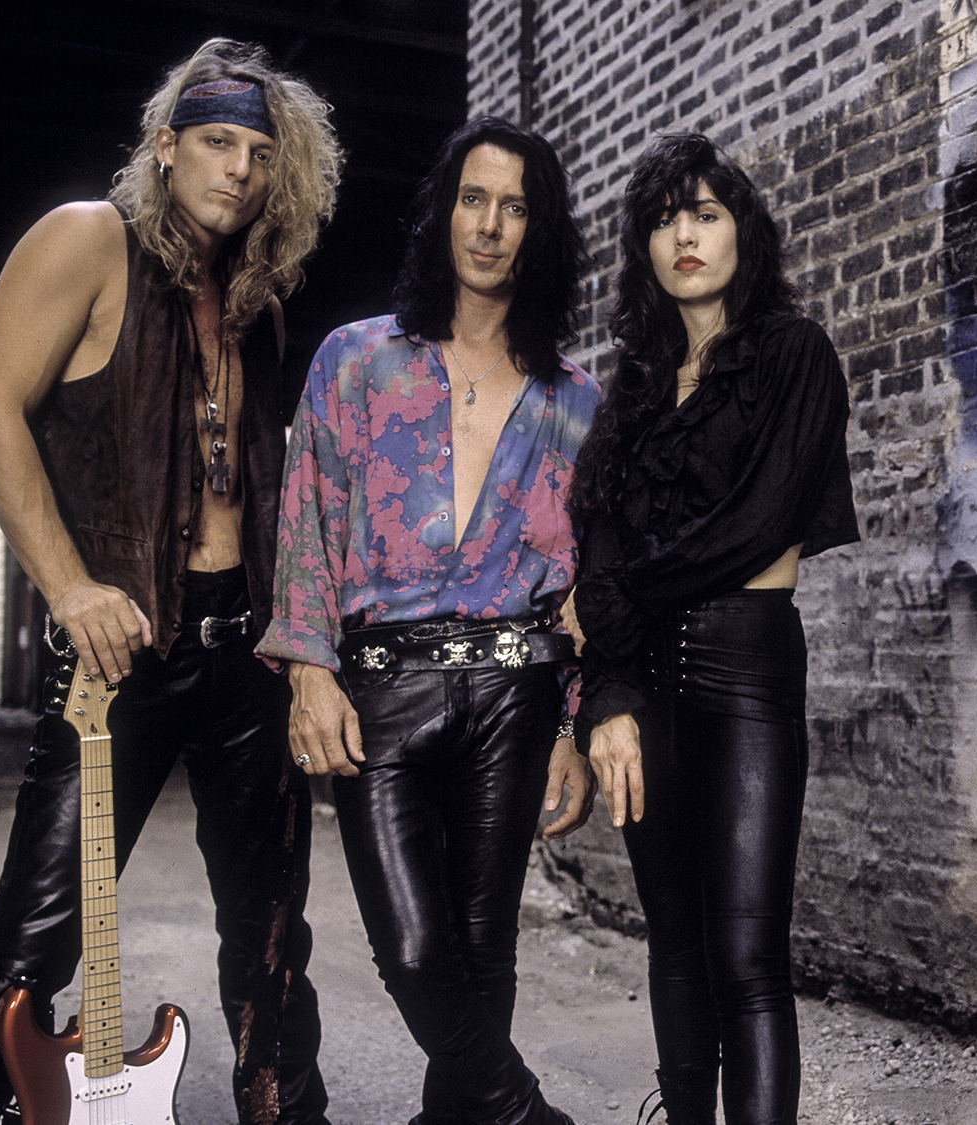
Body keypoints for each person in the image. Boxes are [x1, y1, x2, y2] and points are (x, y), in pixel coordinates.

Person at [0, 40, 342, 1125]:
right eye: (215, 143)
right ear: (164, 146)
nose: (237, 168)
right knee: (35, 932)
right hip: (121, 649)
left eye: (257, 152)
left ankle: (287, 1111)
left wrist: (302, 649)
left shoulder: (256, 306)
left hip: (248, 648)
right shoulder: (86, 242)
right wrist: (68, 587)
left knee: (271, 929)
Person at [255, 116, 596, 1125]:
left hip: (515, 692)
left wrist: (573, 724)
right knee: (410, 945)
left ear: (539, 232)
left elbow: (586, 582)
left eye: (516, 208)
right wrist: (311, 672)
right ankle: (524, 1113)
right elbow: (307, 521)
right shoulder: (357, 361)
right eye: (473, 200)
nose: (490, 228)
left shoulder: (573, 397)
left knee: (484, 955)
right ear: (443, 213)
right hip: (383, 694)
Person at [568, 133, 858, 1125]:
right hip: (641, 690)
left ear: (743, 231)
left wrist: (617, 597)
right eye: (662, 218)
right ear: (642, 248)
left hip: (744, 677)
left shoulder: (791, 354)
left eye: (704, 213)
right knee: (675, 943)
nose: (683, 235)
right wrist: (603, 694)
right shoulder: (630, 396)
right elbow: (594, 549)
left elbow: (759, 529)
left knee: (744, 952)